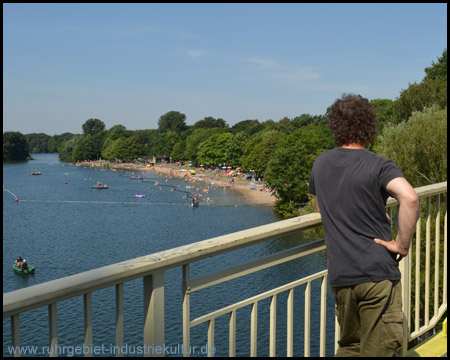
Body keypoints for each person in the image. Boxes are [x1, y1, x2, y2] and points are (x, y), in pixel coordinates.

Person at [308, 94, 420, 357]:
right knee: (381, 349)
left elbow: (323, 206)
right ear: (369, 127)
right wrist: (401, 245)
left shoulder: (320, 163)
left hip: (341, 275)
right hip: (376, 273)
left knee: (350, 347)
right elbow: (410, 198)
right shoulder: (378, 164)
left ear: (335, 126)